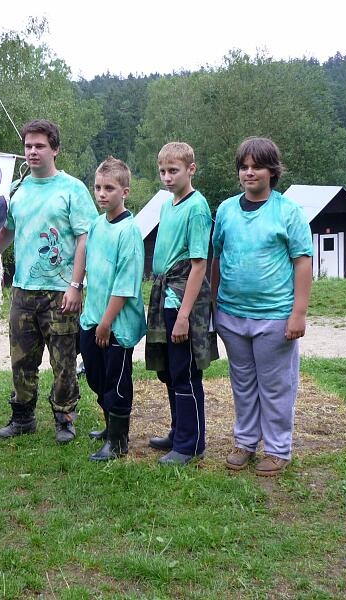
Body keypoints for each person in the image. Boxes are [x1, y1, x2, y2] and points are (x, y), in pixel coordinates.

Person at [0, 119, 98, 443]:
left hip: (61, 292)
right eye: (28, 146)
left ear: (55, 149)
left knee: (64, 360)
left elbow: (85, 237)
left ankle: (65, 417)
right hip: (23, 290)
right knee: (22, 359)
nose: (33, 151)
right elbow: (6, 233)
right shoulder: (17, 191)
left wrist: (76, 285)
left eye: (40, 146)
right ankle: (22, 417)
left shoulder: (72, 189)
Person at [213, 137, 312, 476]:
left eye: (257, 166)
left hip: (275, 317)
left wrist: (298, 313)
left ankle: (278, 449)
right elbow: (217, 257)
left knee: (275, 387)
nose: (249, 172)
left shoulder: (288, 211)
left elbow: (302, 261)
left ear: (272, 171)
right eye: (244, 167)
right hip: (231, 314)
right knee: (242, 384)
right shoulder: (226, 210)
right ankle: (244, 442)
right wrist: (214, 307)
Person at [145, 142, 218, 465]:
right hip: (164, 295)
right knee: (169, 371)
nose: (167, 177)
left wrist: (184, 316)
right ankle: (179, 433)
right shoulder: (168, 204)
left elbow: (199, 264)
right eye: (162, 171)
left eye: (173, 171)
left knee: (185, 371)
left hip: (183, 299)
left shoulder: (197, 207)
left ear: (191, 169)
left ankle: (190, 445)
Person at [79, 158, 146, 460]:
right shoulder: (97, 224)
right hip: (93, 318)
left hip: (116, 324)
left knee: (116, 381)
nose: (102, 194)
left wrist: (106, 323)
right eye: (98, 187)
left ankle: (119, 441)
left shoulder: (129, 231)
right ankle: (109, 426)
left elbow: (124, 285)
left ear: (125, 192)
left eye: (109, 188)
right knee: (96, 376)